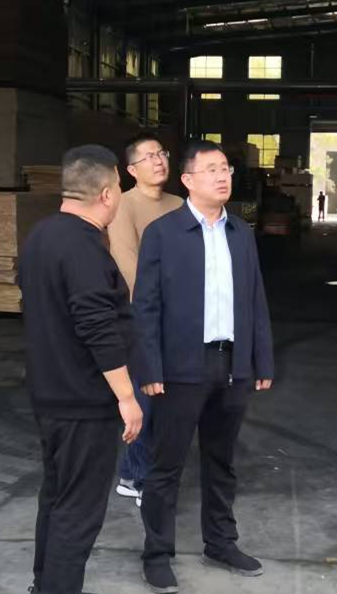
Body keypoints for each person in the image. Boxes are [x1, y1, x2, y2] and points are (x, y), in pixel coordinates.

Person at [18, 144, 144, 594]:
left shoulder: (42, 235)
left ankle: (46, 591)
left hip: (50, 392)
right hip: (83, 399)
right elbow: (96, 325)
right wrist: (127, 396)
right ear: (107, 192)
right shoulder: (85, 246)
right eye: (120, 188)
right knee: (79, 507)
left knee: (57, 496)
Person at [133, 140, 275, 594]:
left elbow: (255, 299)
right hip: (180, 367)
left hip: (231, 364)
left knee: (222, 461)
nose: (222, 176)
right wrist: (150, 367)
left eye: (226, 168)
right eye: (211, 169)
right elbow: (146, 306)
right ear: (188, 180)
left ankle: (221, 542)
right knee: (166, 466)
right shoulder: (163, 233)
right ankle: (157, 554)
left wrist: (261, 358)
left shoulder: (241, 233)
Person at [108, 133, 183, 507]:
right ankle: (139, 478)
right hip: (145, 317)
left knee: (171, 401)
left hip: (181, 317)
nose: (159, 160)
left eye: (162, 153)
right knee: (147, 400)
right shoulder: (124, 206)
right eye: (149, 156)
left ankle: (133, 473)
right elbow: (129, 266)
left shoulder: (179, 204)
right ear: (132, 169)